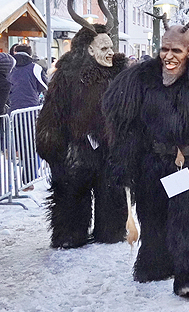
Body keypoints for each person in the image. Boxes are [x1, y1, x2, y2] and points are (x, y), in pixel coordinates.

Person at [101, 15, 189, 301]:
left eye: (176, 51)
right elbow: (121, 119)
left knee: (187, 223)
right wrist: (125, 159)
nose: (168, 57)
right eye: (164, 49)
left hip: (186, 166)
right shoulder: (141, 78)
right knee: (152, 219)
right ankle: (155, 264)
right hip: (150, 164)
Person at [35, 2, 128, 249]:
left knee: (111, 191)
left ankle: (111, 231)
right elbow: (53, 110)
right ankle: (70, 235)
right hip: (77, 148)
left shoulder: (119, 74)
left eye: (111, 47)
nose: (110, 52)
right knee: (72, 191)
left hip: (110, 148)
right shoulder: (68, 74)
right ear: (88, 50)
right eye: (103, 48)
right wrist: (50, 143)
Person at [8, 45, 47, 111]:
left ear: (15, 52)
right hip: (31, 108)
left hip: (12, 108)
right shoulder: (36, 68)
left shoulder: (9, 68)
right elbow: (44, 86)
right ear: (30, 54)